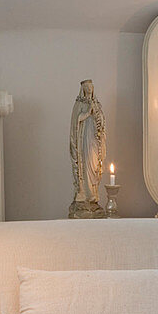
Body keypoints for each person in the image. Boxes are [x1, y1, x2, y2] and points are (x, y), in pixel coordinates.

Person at [68, 79, 107, 218]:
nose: (89, 90)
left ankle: (93, 195)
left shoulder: (97, 104)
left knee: (94, 166)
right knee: (85, 167)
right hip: (84, 141)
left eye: (91, 88)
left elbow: (101, 122)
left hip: (94, 141)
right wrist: (87, 113)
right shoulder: (79, 104)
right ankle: (84, 193)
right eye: (87, 88)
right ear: (83, 89)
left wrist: (98, 118)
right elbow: (76, 121)